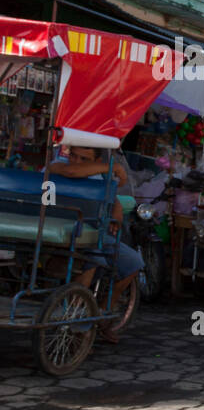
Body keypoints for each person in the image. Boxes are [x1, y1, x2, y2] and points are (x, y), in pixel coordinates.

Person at [49, 146, 143, 344]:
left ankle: (103, 310)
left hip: (93, 231)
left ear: (96, 159)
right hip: (61, 230)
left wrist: (115, 216)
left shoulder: (99, 177)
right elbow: (70, 171)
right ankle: (75, 316)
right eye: (73, 155)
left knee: (135, 262)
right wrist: (111, 168)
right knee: (94, 253)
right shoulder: (58, 166)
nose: (76, 161)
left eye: (84, 158)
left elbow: (114, 201)